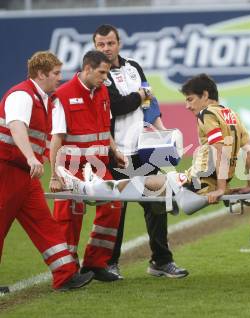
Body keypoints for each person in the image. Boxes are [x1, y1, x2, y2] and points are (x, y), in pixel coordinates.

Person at [56, 73, 250, 213]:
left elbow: (219, 150)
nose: (187, 106)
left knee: (139, 184)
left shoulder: (206, 114)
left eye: (190, 99)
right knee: (145, 184)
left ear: (205, 95)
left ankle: (87, 189)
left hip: (196, 183)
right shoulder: (231, 114)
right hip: (201, 182)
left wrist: (221, 189)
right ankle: (94, 187)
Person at [92, 24, 188, 279]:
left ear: (119, 43)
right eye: (101, 45)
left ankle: (161, 261)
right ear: (95, 47)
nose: (106, 48)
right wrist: (140, 93)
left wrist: (161, 130)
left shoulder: (134, 66)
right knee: (116, 209)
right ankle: (110, 263)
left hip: (143, 151)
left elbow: (148, 101)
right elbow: (118, 105)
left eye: (110, 43)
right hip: (115, 153)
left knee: (156, 204)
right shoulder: (99, 74)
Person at [0, 51, 94, 291]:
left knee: (45, 224)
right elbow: (16, 126)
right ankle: (65, 274)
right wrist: (32, 158)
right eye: (56, 73)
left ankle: (65, 276)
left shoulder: (41, 98)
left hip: (24, 174)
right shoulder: (21, 95)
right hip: (7, 171)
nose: (59, 78)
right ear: (40, 74)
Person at [49, 50, 125, 282]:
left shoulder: (102, 91)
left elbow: (105, 127)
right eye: (102, 72)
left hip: (99, 167)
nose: (106, 77)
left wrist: (114, 149)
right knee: (69, 220)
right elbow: (56, 139)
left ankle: (95, 263)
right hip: (70, 168)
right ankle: (67, 269)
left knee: (113, 207)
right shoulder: (62, 95)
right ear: (87, 69)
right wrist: (54, 175)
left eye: (108, 72)